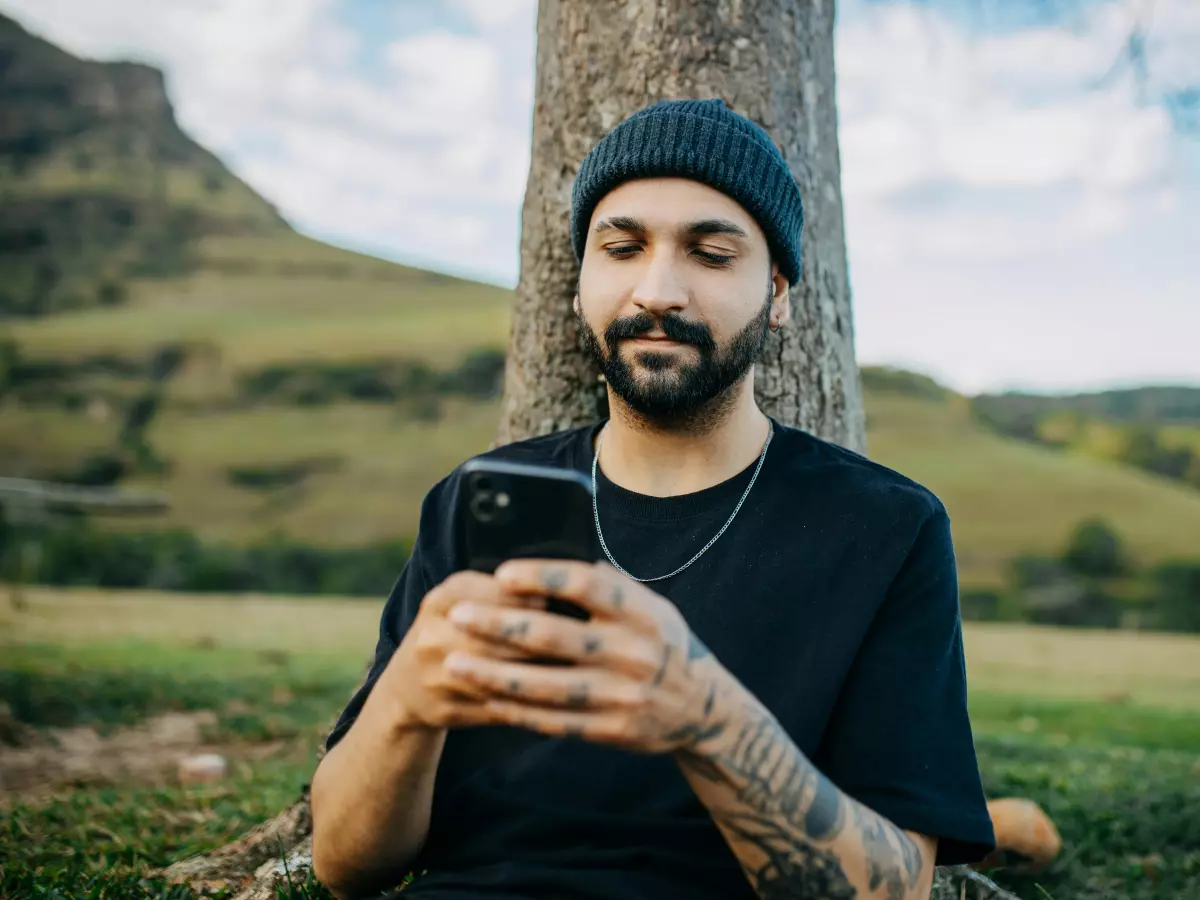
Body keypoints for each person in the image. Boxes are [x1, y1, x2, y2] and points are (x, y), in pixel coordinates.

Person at [310, 98, 996, 900]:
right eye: (622, 247)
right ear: (578, 285)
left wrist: (707, 718)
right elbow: (346, 867)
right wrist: (408, 704)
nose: (658, 289)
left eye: (709, 254)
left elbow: (894, 889)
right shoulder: (475, 503)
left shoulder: (887, 529)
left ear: (776, 294)